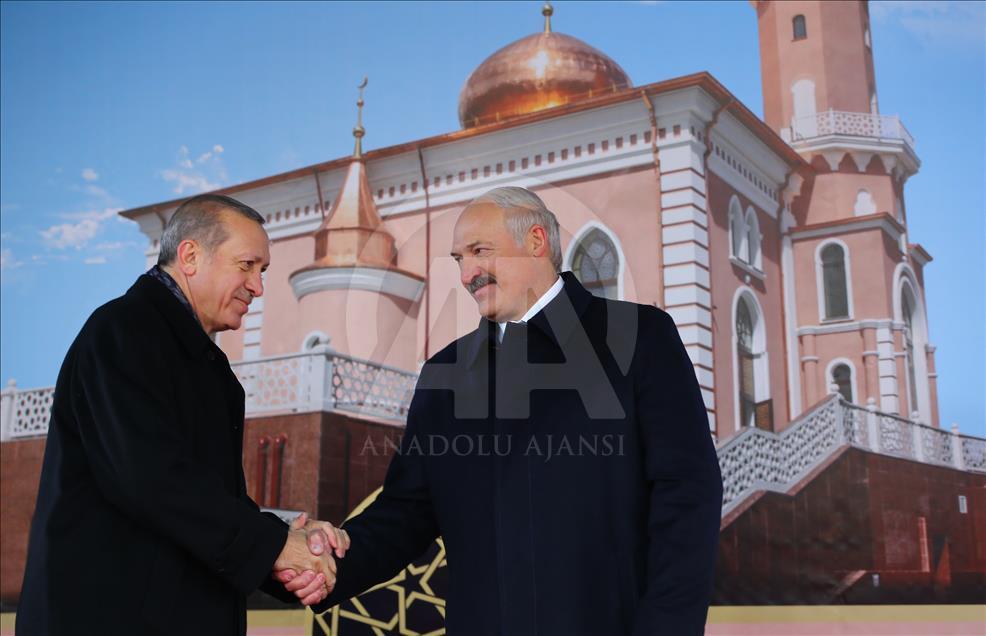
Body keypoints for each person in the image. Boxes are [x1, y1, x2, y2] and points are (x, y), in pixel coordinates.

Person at [290, 186, 724, 634]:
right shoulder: (446, 373)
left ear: (536, 242)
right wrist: (324, 562)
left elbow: (688, 496)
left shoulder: (638, 336)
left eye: (480, 251)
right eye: (459, 259)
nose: (467, 274)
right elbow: (404, 513)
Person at [18, 194, 349, 636]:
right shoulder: (123, 331)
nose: (258, 287)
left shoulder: (199, 360)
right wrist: (274, 547)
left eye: (262, 271)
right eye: (247, 265)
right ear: (190, 255)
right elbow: (151, 479)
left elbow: (204, 496)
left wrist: (285, 547)